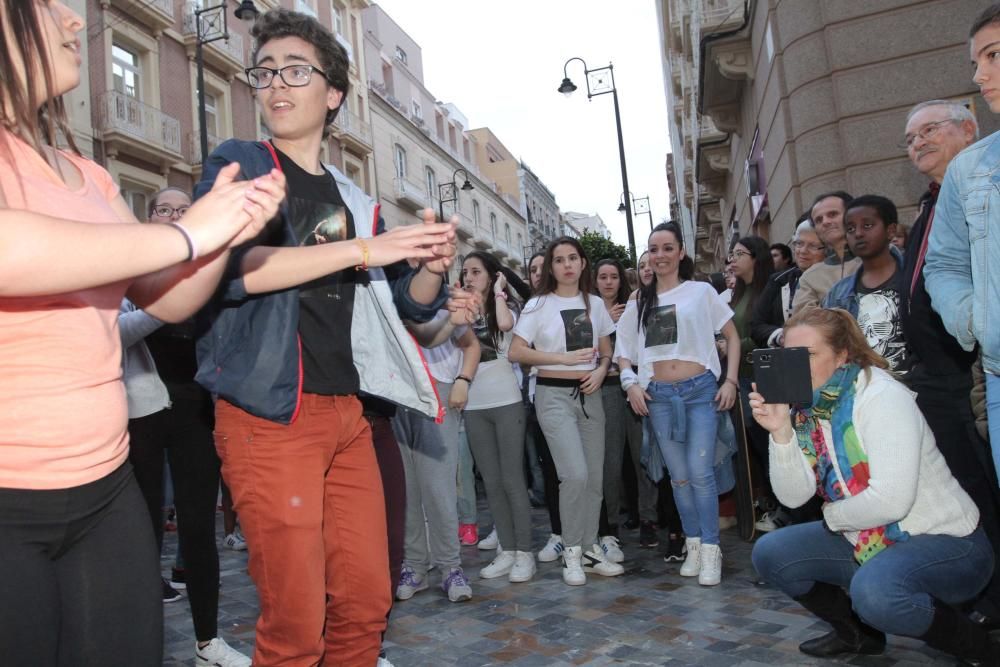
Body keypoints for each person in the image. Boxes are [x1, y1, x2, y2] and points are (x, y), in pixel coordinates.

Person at [0, 3, 284, 664]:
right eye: (48, 6)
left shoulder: (88, 174)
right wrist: (189, 231)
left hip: (105, 492)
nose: (75, 21)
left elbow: (169, 294)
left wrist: (225, 237)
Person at [193, 9, 456, 666]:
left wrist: (426, 269)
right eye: (267, 71)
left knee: (368, 601)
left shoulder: (351, 196)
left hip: (351, 414)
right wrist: (365, 248)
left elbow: (408, 308)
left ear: (334, 92)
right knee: (296, 623)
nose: (276, 84)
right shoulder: (243, 164)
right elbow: (233, 270)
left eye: (296, 70)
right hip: (269, 411)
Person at [749, 308, 997, 664]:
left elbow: (892, 501)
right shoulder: (806, 409)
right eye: (791, 356)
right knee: (771, 554)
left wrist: (832, 515)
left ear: (843, 354)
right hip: (864, 534)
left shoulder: (880, 395)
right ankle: (860, 636)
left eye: (809, 355)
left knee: (877, 593)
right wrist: (781, 434)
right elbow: (793, 496)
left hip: (949, 542)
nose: (797, 366)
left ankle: (980, 649)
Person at [122, 189, 253, 666]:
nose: (175, 215)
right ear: (150, 217)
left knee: (200, 528)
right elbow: (112, 333)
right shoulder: (130, 269)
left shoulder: (207, 272)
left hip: (197, 409)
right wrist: (165, 307)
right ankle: (141, 648)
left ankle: (208, 642)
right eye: (164, 209)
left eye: (183, 209)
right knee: (143, 531)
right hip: (141, 410)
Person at [903, 98, 1000, 626]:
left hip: (973, 373)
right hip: (938, 374)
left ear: (969, 130)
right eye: (910, 138)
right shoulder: (931, 204)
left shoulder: (982, 193)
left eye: (929, 130)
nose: (917, 142)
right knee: (965, 488)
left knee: (982, 484)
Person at [615, 223, 739, 586]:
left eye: (667, 248)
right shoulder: (639, 301)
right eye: (653, 249)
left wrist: (729, 380)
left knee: (700, 474)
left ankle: (712, 550)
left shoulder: (700, 292)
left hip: (701, 391)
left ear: (681, 252)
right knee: (679, 478)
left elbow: (731, 336)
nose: (660, 256)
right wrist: (630, 384)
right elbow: (623, 352)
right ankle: (694, 544)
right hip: (659, 397)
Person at [509, 237, 623, 585]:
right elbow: (516, 352)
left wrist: (602, 370)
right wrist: (561, 358)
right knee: (573, 474)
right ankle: (571, 551)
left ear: (583, 263)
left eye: (573, 258)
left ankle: (590, 549)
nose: (567, 265)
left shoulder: (595, 304)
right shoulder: (538, 305)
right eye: (559, 260)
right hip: (553, 395)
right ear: (552, 267)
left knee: (593, 477)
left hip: (590, 395)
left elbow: (606, 348)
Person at [926, 3, 1000, 485]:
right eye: (976, 62)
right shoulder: (970, 169)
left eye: (993, 56)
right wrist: (975, 318)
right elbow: (945, 263)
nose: (980, 74)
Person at [393, 310, 478, 603]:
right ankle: (415, 566)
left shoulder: (442, 299)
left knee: (438, 486)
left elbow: (471, 344)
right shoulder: (385, 287)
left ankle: (450, 568)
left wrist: (463, 380)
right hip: (394, 394)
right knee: (405, 488)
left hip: (437, 391)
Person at [461, 252, 536, 583]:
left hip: (506, 400)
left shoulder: (505, 306)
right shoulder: (461, 310)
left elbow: (505, 326)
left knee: (512, 479)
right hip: (474, 405)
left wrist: (499, 292)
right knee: (490, 480)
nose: (468, 277)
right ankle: (506, 549)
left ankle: (524, 553)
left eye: (476, 272)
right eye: (464, 272)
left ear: (492, 276)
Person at [823, 196, 908, 373]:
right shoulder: (838, 295)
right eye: (851, 228)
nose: (858, 233)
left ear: (890, 230)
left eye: (867, 225)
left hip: (918, 390)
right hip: (866, 390)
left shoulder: (915, 277)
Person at [593, 258, 636, 556]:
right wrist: (605, 320)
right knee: (608, 460)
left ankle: (644, 516)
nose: (608, 282)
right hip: (603, 388)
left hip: (632, 386)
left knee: (636, 458)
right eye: (603, 277)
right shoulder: (591, 308)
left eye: (613, 277)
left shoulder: (632, 308)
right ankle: (610, 526)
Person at [751, 216, 826, 348]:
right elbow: (757, 325)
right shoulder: (778, 281)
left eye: (813, 246)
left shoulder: (837, 279)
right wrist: (782, 336)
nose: (803, 251)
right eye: (799, 243)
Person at [792, 191, 862, 314]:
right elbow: (805, 322)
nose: (825, 221)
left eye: (833, 214)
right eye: (818, 220)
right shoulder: (809, 278)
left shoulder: (882, 256)